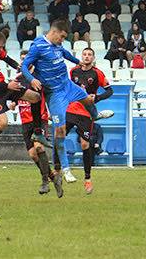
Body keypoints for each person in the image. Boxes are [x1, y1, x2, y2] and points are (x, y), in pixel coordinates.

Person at [21, 19, 90, 186]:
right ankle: (61, 171)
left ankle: (96, 115)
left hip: (65, 85)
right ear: (54, 32)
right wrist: (32, 79)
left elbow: (64, 52)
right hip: (53, 94)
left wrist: (76, 61)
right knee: (60, 130)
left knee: (87, 99)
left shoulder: (57, 44)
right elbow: (24, 65)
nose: (63, 40)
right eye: (62, 37)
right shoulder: (38, 46)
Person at [0, 31, 47, 168]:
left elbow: (8, 59)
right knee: (2, 123)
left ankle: (38, 133)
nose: (0, 50)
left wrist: (19, 67)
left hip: (4, 86)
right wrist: (7, 85)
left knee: (35, 97)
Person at [8, 50, 55, 196]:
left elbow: (49, 96)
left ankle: (45, 182)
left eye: (26, 59)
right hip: (25, 121)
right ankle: (53, 177)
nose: (23, 62)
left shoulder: (40, 78)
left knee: (39, 148)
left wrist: (53, 112)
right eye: (21, 60)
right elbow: (15, 97)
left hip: (39, 119)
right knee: (33, 155)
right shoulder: (18, 79)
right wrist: (13, 103)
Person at [68, 47, 115, 193]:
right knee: (59, 134)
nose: (87, 57)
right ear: (81, 56)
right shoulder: (73, 71)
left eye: (89, 55)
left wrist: (98, 97)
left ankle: (87, 179)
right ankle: (58, 170)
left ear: (93, 58)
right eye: (84, 54)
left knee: (84, 144)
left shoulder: (97, 73)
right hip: (71, 108)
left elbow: (109, 90)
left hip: (86, 112)